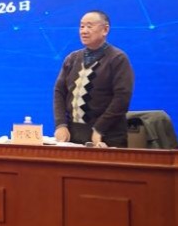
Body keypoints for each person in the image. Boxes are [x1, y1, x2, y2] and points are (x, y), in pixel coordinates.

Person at [53, 11, 134, 147]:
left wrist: (99, 129)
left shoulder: (117, 58)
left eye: (89, 26)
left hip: (106, 137)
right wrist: (61, 124)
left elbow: (122, 97)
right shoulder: (72, 58)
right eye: (81, 26)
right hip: (73, 136)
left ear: (105, 30)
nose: (84, 31)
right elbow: (59, 91)